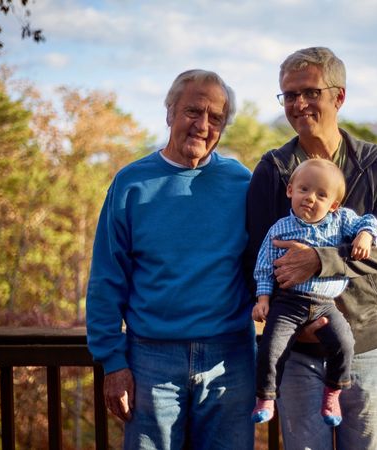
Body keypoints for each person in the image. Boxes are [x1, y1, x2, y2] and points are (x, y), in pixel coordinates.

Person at [245, 47, 377, 450]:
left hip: (367, 346)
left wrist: (320, 260)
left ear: (339, 97)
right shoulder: (274, 169)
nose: (298, 104)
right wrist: (279, 312)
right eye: (288, 95)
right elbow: (254, 253)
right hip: (296, 351)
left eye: (310, 92)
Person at [86, 69, 255, 450]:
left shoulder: (241, 183)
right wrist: (113, 362)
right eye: (193, 111)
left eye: (216, 118)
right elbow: (106, 279)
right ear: (169, 113)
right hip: (151, 360)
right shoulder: (131, 183)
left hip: (230, 359)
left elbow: (263, 261)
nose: (202, 125)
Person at [251, 158, 377, 427]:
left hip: (325, 304)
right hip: (288, 302)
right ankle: (265, 396)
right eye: (304, 189)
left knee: (343, 343)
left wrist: (366, 235)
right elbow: (264, 266)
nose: (310, 198)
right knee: (270, 348)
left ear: (333, 205)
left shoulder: (340, 221)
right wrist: (263, 299)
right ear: (290, 191)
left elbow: (368, 220)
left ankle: (332, 392)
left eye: (321, 195)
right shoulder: (280, 229)